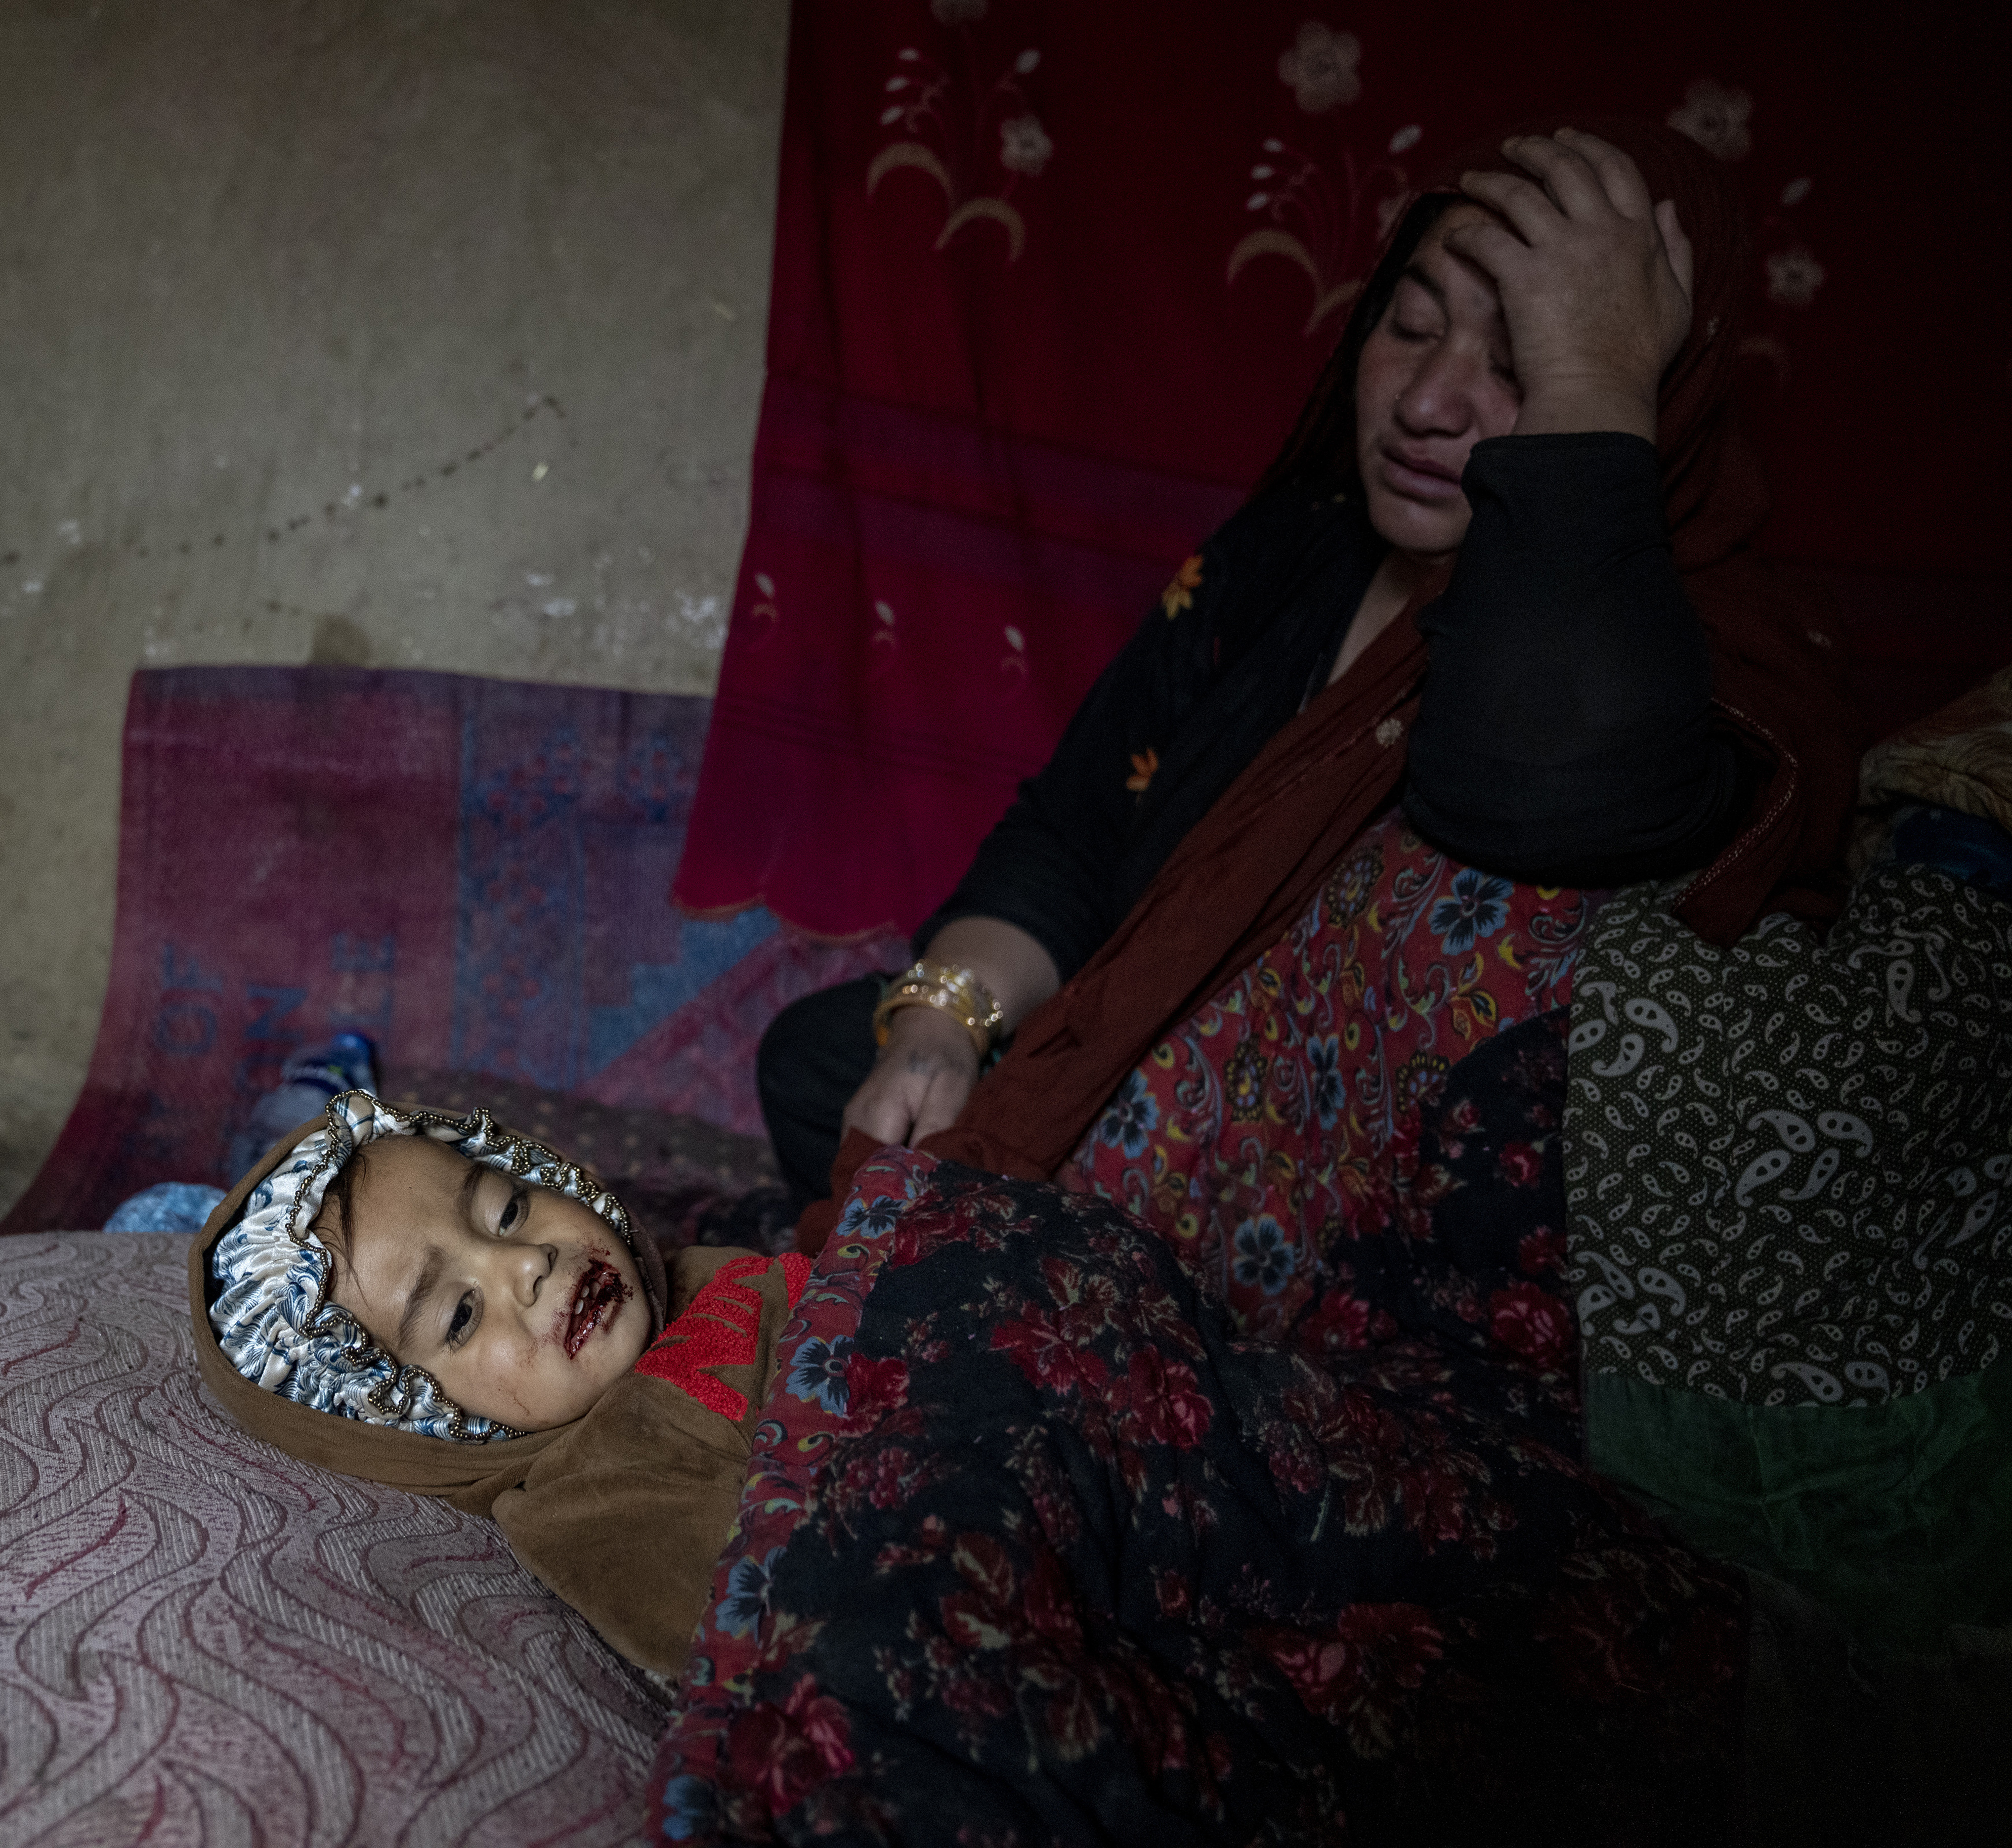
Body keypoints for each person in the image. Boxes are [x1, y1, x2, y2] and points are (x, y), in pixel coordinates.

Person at [757, 120, 1857, 1220]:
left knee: (943, 1188)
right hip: (1141, 1088)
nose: (1427, 402)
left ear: (1643, 400)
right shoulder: (1291, 555)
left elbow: (1542, 789)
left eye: (1523, 365)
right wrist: (942, 1021)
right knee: (830, 1063)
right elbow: (1075, 832)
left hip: (1348, 1189)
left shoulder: (1697, 662)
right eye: (1410, 324)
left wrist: (1590, 387)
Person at [189, 1089, 810, 1676]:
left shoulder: (693, 1277)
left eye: (509, 1211)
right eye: (461, 1315)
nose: (527, 1261)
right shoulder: (600, 1508)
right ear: (415, 1418)